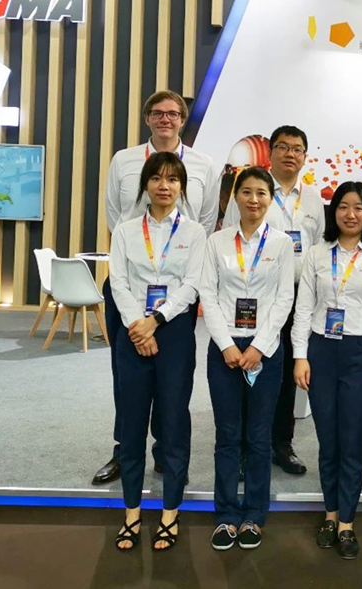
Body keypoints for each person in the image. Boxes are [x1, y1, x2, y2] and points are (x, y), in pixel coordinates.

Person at [95, 90, 221, 486]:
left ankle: (167, 452)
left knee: (173, 382)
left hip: (177, 292)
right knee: (127, 378)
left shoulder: (203, 165)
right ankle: (124, 450)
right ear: (147, 118)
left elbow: (206, 219)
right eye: (157, 112)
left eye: (173, 113)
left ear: (183, 119)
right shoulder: (124, 160)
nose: (165, 119)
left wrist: (160, 314)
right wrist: (139, 320)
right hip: (130, 287)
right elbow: (115, 216)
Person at [292, 182, 362, 560]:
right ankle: (330, 514)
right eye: (343, 207)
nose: (350, 214)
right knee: (328, 439)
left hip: (360, 354)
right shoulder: (317, 254)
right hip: (321, 351)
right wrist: (300, 356)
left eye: (359, 208)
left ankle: (347, 522)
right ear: (332, 211)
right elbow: (304, 308)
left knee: (352, 439)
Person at [108, 152, 204, 552]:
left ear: (182, 187)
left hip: (175, 333)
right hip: (133, 334)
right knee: (131, 423)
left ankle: (170, 512)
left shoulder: (195, 233)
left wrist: (156, 320)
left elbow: (192, 284)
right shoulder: (125, 231)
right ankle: (131, 512)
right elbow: (117, 282)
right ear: (145, 184)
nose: (165, 186)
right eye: (157, 178)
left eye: (173, 179)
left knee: (174, 421)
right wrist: (139, 324)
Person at [200, 167, 296, 552]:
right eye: (247, 192)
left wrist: (259, 346)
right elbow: (208, 294)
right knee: (227, 435)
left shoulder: (282, 243)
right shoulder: (217, 242)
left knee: (258, 437)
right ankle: (226, 514)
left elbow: (284, 299)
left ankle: (255, 514)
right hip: (224, 349)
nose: (254, 200)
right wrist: (227, 344)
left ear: (271, 199)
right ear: (235, 196)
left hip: (265, 351)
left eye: (261, 193)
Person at [224, 125, 325, 476]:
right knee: (246, 368)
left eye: (297, 148)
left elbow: (320, 248)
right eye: (282, 147)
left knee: (284, 372)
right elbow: (229, 236)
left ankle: (281, 443)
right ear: (270, 153)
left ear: (305, 156)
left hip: (297, 295)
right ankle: (243, 447)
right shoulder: (252, 189)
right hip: (253, 295)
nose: (289, 154)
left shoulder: (313, 198)